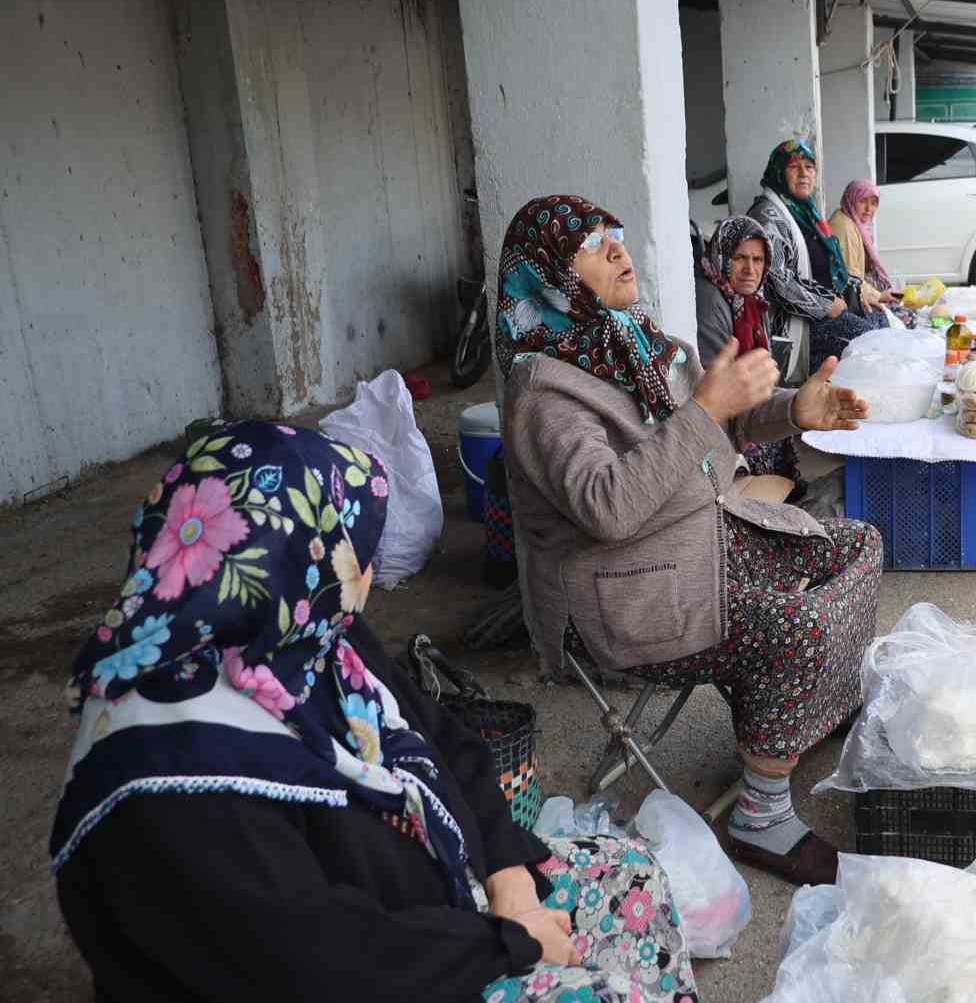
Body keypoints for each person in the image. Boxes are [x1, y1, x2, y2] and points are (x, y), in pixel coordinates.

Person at [50, 421, 700, 1003]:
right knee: (606, 994)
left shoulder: (304, 633)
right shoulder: (165, 781)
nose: (362, 568)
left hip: (438, 910)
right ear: (283, 558)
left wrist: (505, 867)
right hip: (364, 971)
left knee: (629, 874)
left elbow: (447, 739)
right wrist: (508, 942)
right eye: (345, 545)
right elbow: (315, 963)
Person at [497, 194, 883, 888]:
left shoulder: (626, 340)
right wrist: (706, 406)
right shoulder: (543, 395)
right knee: (796, 624)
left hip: (697, 534)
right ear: (550, 277)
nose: (618, 249)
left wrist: (790, 412)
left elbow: (707, 439)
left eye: (615, 232)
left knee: (858, 545)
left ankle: (794, 713)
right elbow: (608, 507)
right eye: (592, 245)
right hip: (623, 592)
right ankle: (761, 815)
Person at [749, 139, 882, 374]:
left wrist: (858, 293)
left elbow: (829, 269)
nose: (803, 174)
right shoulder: (768, 217)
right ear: (778, 171)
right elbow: (778, 281)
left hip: (827, 312)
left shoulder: (804, 212)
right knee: (869, 341)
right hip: (798, 325)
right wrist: (825, 305)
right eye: (794, 167)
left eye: (809, 167)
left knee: (881, 321)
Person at [694, 214, 804, 490]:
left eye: (757, 260)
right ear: (722, 256)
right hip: (722, 419)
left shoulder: (750, 300)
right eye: (739, 258)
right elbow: (716, 380)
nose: (750, 269)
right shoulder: (711, 299)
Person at [829, 178, 915, 327]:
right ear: (851, 198)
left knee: (903, 313)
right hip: (844, 302)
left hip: (855, 294)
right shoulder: (844, 227)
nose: (869, 208)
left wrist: (880, 294)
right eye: (863, 201)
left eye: (874, 203)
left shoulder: (853, 223)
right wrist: (879, 296)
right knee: (904, 318)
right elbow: (850, 278)